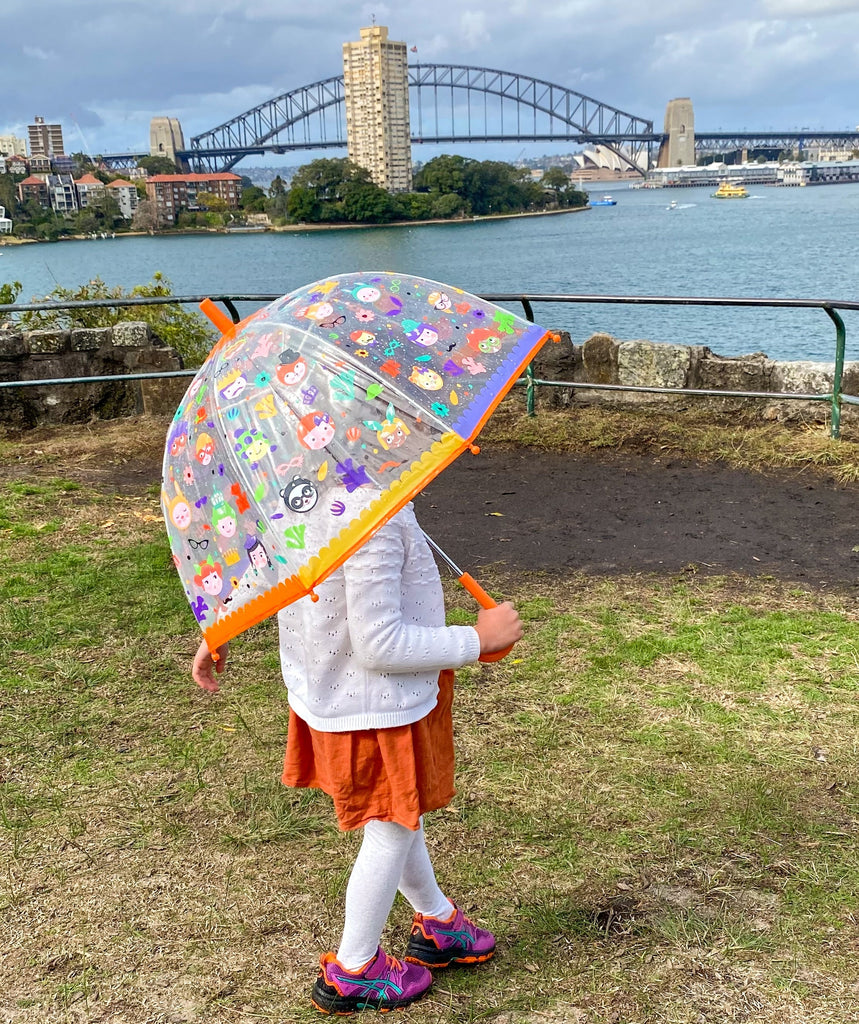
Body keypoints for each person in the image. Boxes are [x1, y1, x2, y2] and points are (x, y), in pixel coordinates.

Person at [192, 499, 524, 1015]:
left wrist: (222, 624)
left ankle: (437, 923)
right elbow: (379, 644)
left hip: (336, 695)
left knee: (399, 814)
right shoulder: (376, 518)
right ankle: (355, 969)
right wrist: (478, 640)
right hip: (378, 707)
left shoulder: (298, 497)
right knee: (391, 825)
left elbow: (265, 567)